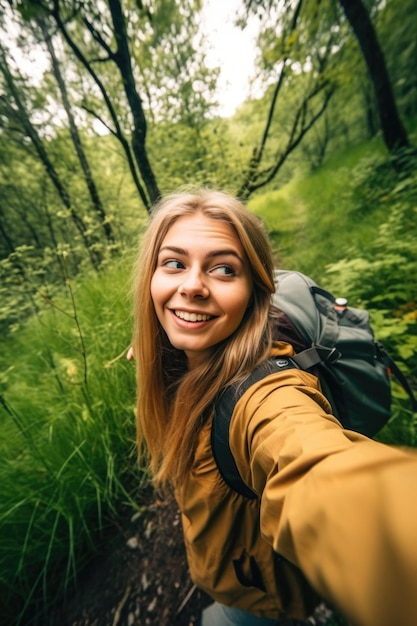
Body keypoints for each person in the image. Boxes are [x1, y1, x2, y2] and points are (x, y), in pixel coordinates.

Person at [131, 187, 417, 626]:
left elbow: (310, 460)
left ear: (256, 292)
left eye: (224, 270)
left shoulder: (268, 397)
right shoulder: (181, 345)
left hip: (256, 597)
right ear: (150, 276)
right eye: (173, 263)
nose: (191, 286)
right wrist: (155, 343)